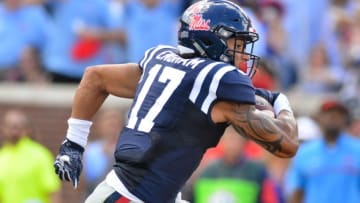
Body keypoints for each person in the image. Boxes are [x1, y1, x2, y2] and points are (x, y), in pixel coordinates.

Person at [53, 1, 299, 202]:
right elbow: (287, 144)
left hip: (137, 193)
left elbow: (95, 77)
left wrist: (73, 143)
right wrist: (280, 103)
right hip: (129, 197)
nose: (243, 54)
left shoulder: (162, 60)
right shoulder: (217, 79)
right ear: (211, 41)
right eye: (237, 44)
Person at [285, 99, 360, 203]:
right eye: (329, 113)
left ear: (345, 119)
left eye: (338, 114)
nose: (333, 117)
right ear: (319, 117)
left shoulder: (357, 150)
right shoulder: (305, 153)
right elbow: (297, 190)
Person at [193, 126, 280, 203]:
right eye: (229, 138)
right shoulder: (209, 170)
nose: (232, 144)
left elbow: (270, 198)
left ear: (244, 141)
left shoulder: (257, 170)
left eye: (236, 139)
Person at [0, 109, 61, 203]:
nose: (13, 132)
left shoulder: (40, 155)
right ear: (3, 128)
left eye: (17, 127)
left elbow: (52, 192)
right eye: (9, 126)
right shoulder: (2, 156)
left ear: (27, 129)